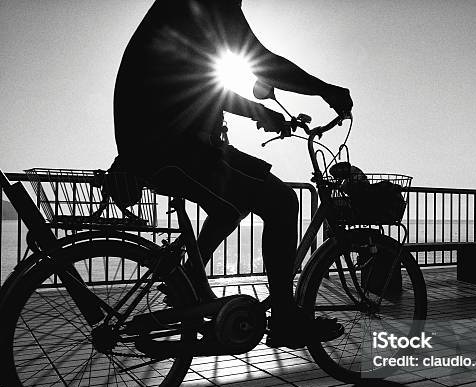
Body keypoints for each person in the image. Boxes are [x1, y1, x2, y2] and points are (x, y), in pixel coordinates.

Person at [113, 0, 353, 348]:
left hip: (174, 144)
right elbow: (264, 62)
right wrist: (326, 90)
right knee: (283, 204)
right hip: (172, 149)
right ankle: (285, 318)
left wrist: (260, 112)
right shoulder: (207, 4)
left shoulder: (182, 12)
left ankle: (187, 279)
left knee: (237, 201)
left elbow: (203, 88)